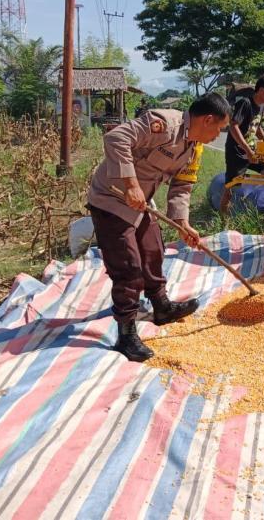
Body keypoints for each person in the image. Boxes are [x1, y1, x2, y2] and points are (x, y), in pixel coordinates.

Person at [87, 93, 232, 362]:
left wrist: (182, 223)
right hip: (112, 199)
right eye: (218, 129)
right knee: (128, 267)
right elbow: (116, 138)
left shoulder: (194, 148)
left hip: (142, 204)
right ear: (208, 119)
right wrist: (131, 185)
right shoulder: (164, 124)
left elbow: (182, 187)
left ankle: (161, 307)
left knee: (153, 251)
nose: (216, 136)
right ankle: (126, 332)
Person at [220, 75, 264, 221]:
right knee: (231, 186)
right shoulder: (245, 102)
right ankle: (223, 218)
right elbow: (233, 125)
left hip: (253, 151)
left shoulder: (261, 106)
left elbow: (257, 126)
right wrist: (247, 150)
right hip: (237, 152)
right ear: (261, 90)